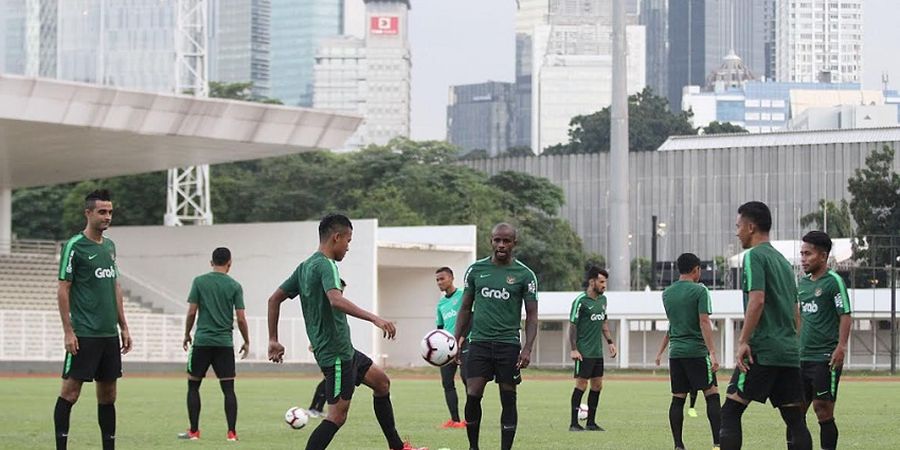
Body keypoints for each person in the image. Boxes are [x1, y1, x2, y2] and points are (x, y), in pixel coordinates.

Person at [266, 214, 424, 450]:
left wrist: (273, 339)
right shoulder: (326, 265)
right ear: (336, 237)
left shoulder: (305, 266)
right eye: (348, 241)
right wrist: (375, 318)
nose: (348, 247)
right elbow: (335, 300)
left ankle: (397, 447)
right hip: (335, 353)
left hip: (343, 349)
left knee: (382, 383)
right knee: (337, 416)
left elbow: (274, 299)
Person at [719, 201, 811, 450]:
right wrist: (792, 343)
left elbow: (757, 300)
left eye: (738, 226)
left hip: (763, 351)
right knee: (795, 420)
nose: (736, 232)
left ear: (750, 227)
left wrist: (743, 341)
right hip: (788, 352)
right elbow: (795, 311)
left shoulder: (754, 257)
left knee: (729, 412)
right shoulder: (782, 261)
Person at [54, 189, 132, 450]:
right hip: (85, 333)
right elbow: (63, 288)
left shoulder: (110, 247)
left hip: (108, 335)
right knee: (70, 393)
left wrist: (124, 326)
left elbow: (115, 287)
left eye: (110, 212)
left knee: (108, 396)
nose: (107, 216)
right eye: (102, 212)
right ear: (88, 213)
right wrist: (68, 331)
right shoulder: (74, 246)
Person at [454, 223, 539, 450]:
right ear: (491, 241)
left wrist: (527, 348)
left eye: (506, 241)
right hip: (479, 343)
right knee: (473, 394)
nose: (501, 245)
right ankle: (473, 447)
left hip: (508, 345)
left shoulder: (525, 275)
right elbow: (464, 308)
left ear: (514, 243)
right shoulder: (475, 270)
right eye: (497, 240)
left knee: (508, 396)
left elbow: (532, 316)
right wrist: (456, 338)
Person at [178, 247, 250, 441]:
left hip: (202, 342)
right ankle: (232, 433)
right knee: (228, 389)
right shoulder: (235, 286)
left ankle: (194, 431)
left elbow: (192, 312)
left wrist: (186, 334)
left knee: (193, 386)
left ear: (211, 262)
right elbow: (241, 319)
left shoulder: (199, 282)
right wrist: (246, 340)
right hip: (224, 344)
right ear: (230, 263)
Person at [792, 231, 852, 450]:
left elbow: (845, 314)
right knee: (795, 411)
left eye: (808, 254)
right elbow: (798, 316)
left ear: (823, 256)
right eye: (802, 254)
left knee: (822, 407)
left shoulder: (833, 282)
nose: (803, 259)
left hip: (825, 356)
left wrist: (841, 347)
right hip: (802, 356)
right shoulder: (802, 284)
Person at [659, 253, 721, 450]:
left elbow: (673, 324)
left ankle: (678, 445)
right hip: (696, 351)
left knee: (678, 398)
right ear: (696, 269)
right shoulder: (700, 291)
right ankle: (718, 443)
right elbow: (704, 322)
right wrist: (712, 352)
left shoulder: (667, 293)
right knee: (712, 394)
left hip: (676, 353)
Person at [567, 266, 616, 432]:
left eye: (605, 282)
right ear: (592, 282)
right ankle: (574, 423)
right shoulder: (580, 301)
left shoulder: (603, 301)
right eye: (601, 282)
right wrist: (574, 349)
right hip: (584, 351)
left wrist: (610, 342)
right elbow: (572, 325)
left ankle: (591, 423)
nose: (604, 285)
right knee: (581, 384)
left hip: (597, 352)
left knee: (597, 386)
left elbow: (603, 322)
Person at [434, 266, 467, 429]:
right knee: (447, 383)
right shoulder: (440, 304)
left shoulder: (463, 296)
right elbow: (440, 328)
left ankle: (470, 420)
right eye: (437, 280)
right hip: (446, 349)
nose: (439, 282)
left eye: (442, 278)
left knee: (469, 382)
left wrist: (461, 340)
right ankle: (455, 420)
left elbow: (470, 318)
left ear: (451, 278)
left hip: (465, 343)